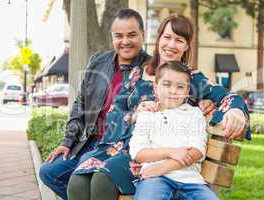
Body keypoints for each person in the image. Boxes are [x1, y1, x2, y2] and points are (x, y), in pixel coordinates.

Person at [67, 14, 249, 200]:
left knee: (102, 181)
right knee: (77, 184)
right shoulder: (139, 72)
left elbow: (229, 96)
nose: (171, 45)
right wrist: (135, 114)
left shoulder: (191, 79)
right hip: (116, 145)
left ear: (186, 46)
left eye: (179, 40)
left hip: (150, 153)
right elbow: (116, 111)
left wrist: (235, 110)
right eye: (167, 37)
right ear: (159, 38)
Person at [39, 9, 151, 200]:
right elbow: (80, 105)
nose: (125, 41)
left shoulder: (151, 68)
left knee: (87, 171)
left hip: (122, 147)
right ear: (112, 37)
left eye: (132, 35)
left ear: (142, 35)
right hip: (89, 142)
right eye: (119, 36)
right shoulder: (98, 62)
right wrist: (68, 141)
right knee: (49, 172)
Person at [129, 60, 218, 200]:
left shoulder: (194, 114)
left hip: (191, 182)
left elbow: (197, 150)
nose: (173, 91)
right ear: (155, 87)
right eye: (166, 84)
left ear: (187, 91)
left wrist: (163, 167)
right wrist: (173, 152)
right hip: (155, 180)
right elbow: (138, 153)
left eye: (180, 87)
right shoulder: (147, 114)